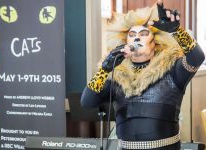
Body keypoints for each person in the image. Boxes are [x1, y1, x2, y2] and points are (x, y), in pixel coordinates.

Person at [81, 0, 205, 149]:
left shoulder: (172, 69)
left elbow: (197, 57)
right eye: (132, 35)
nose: (136, 38)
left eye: (143, 34)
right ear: (124, 42)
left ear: (155, 42)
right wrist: (104, 69)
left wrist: (176, 32)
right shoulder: (117, 75)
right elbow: (87, 102)